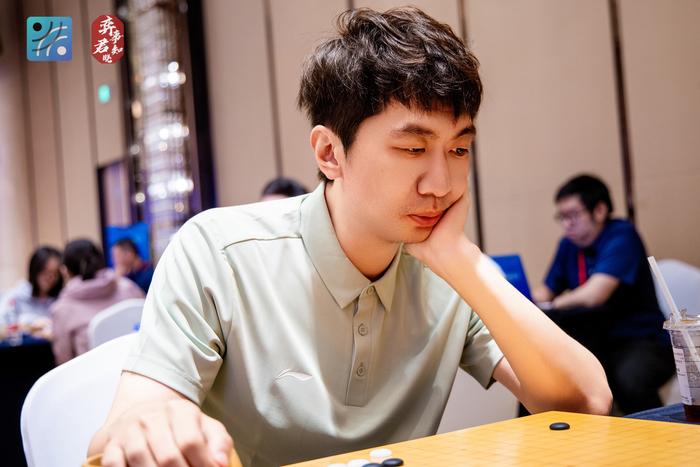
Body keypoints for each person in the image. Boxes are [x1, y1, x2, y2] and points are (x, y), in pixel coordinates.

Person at [90, 8, 611, 467]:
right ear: (329, 153)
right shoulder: (218, 252)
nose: (442, 184)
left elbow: (588, 404)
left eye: (458, 150)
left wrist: (464, 262)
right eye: (413, 149)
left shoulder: (450, 272)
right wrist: (150, 423)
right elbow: (128, 423)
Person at [532, 174, 675, 414]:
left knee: (629, 379)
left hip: (643, 340)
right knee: (551, 376)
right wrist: (525, 296)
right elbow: (545, 290)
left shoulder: (621, 235)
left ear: (599, 210)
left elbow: (595, 294)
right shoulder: (568, 245)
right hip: (598, 340)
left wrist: (554, 304)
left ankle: (659, 432)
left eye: (573, 215)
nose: (567, 224)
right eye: (562, 217)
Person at [51, 239, 144, 364]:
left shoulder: (63, 308)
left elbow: (64, 361)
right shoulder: (129, 288)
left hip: (92, 375)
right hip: (140, 370)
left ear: (66, 271)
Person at [0, 246, 63, 339]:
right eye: (46, 272)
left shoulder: (60, 299)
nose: (50, 278)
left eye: (55, 274)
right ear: (35, 270)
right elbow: (2, 328)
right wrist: (28, 327)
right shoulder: (16, 296)